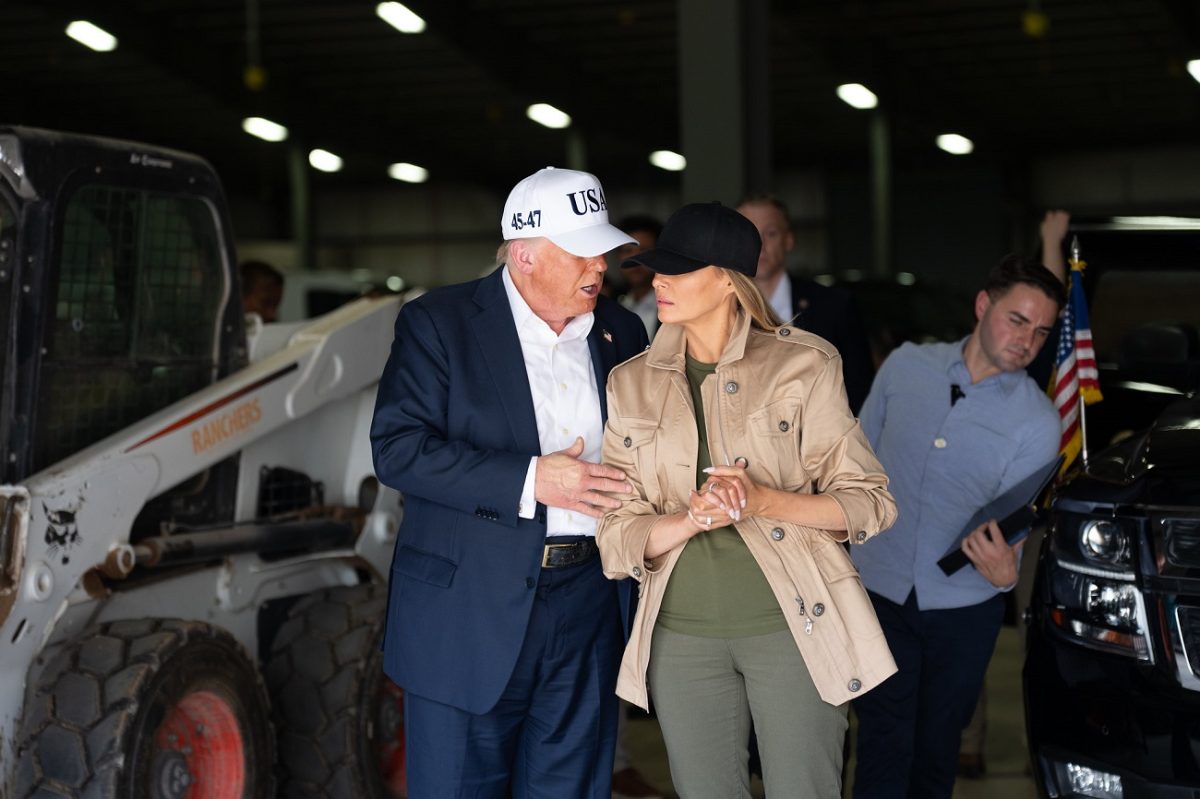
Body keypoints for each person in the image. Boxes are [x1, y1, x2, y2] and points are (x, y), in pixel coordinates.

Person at [596, 201, 898, 799]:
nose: (659, 279)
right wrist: (689, 519)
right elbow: (615, 532)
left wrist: (761, 501)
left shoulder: (804, 365)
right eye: (659, 266)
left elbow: (870, 502)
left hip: (794, 628)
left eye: (679, 268)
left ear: (729, 280)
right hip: (679, 640)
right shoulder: (629, 381)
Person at [370, 166, 650, 798]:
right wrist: (531, 478)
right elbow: (397, 450)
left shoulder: (621, 330)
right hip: (466, 611)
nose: (600, 266)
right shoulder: (439, 323)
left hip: (588, 605)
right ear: (525, 255)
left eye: (602, 250)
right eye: (581, 251)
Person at [850, 254, 1067, 799]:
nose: (1027, 341)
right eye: (1017, 320)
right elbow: (856, 461)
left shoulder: (1038, 422)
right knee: (881, 740)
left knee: (936, 749)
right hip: (877, 589)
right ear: (982, 305)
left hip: (963, 610)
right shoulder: (906, 366)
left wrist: (1005, 575)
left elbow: (1013, 527)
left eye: (1041, 332)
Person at [736, 194, 875, 413]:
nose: (760, 245)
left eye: (770, 233)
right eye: (749, 234)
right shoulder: (718, 307)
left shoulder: (834, 305)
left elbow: (859, 389)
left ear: (788, 240)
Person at [613, 214, 663, 339]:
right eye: (627, 251)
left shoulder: (676, 302)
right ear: (617, 256)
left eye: (644, 250)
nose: (635, 259)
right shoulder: (609, 301)